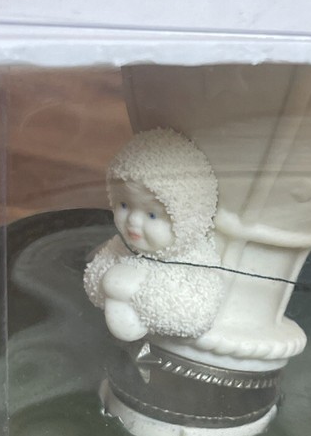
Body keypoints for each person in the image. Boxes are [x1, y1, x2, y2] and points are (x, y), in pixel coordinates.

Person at [84, 128, 223, 342]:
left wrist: (141, 291)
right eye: (124, 205)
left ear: (185, 219)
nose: (133, 221)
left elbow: (197, 315)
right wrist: (106, 283)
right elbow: (92, 281)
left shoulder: (196, 260)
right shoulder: (121, 246)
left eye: (151, 214)